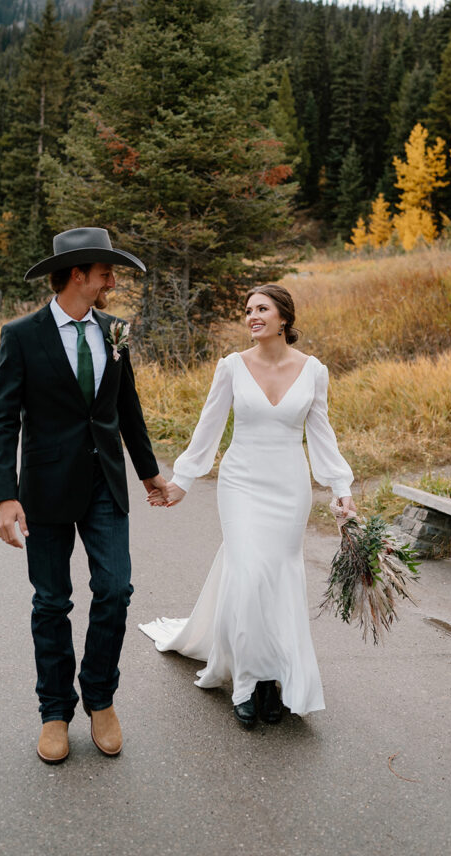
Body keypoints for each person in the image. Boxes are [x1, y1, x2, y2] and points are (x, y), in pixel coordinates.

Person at [0, 227, 168, 764]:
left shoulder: (116, 331)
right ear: (77, 275)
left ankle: (101, 697)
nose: (112, 280)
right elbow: (2, 419)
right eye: (105, 272)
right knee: (52, 602)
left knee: (115, 590)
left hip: (104, 483)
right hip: (43, 488)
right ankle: (55, 711)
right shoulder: (21, 335)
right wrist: (5, 496)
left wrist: (149, 472)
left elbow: (125, 407)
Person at [140, 284, 355, 727]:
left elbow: (321, 433)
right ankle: (247, 682)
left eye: (261, 309)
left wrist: (339, 485)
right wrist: (183, 480)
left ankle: (273, 679)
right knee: (248, 573)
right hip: (240, 483)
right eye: (247, 310)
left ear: (284, 318)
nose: (252, 316)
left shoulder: (313, 371)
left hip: (289, 487)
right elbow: (209, 425)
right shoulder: (232, 367)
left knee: (278, 578)